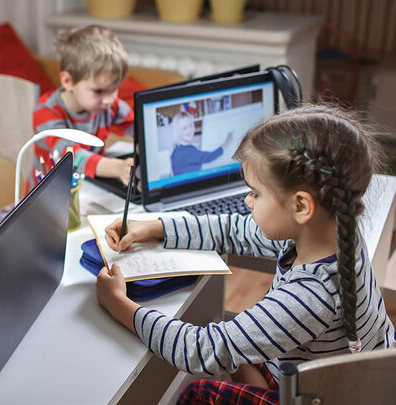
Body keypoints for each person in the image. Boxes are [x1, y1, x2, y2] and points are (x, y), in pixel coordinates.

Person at [95, 104, 395, 404]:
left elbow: (199, 349)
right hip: (344, 380)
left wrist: (118, 304)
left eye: (255, 192)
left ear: (301, 206)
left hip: (319, 395)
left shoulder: (312, 296)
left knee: (197, 393)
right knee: (237, 346)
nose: (247, 201)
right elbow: (233, 231)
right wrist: (155, 226)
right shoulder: (335, 229)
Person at [32, 24, 134, 187]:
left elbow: (140, 128)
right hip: (50, 193)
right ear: (68, 81)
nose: (108, 100)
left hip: (89, 186)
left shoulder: (108, 106)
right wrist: (118, 168)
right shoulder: (46, 113)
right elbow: (72, 157)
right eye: (99, 91)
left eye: (114, 89)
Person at [170, 111, 232, 176]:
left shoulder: (176, 151)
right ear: (177, 131)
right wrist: (227, 142)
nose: (189, 130)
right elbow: (210, 157)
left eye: (190, 125)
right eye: (184, 128)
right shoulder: (188, 152)